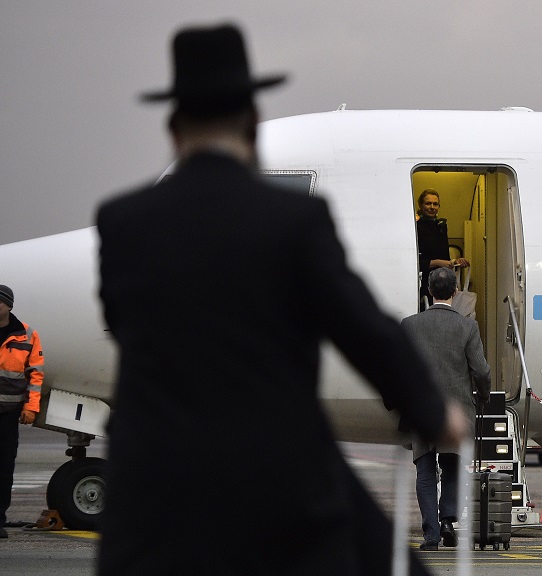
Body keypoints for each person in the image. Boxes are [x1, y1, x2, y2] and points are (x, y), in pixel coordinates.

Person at [94, 23, 467, 575]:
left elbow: (122, 321)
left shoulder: (121, 223)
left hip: (153, 479)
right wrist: (432, 413)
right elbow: (363, 328)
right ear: (252, 122)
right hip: (276, 470)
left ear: (173, 129)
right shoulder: (296, 220)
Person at [400, 267, 491, 550]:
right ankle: (448, 521)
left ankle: (431, 535)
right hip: (457, 410)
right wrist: (484, 396)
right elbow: (481, 371)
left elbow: (399, 367)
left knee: (425, 471)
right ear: (455, 292)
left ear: (429, 291)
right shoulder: (467, 326)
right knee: (452, 467)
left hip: (421, 408)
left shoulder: (410, 324)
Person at [0, 285, 43, 540]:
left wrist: (31, 407)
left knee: (4, 468)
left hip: (8, 413)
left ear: (9, 305)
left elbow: (35, 375)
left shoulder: (27, 335)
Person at [415, 189, 469, 310]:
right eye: (428, 203)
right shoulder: (416, 227)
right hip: (424, 282)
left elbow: (443, 254)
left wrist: (454, 262)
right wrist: (438, 263)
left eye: (435, 204)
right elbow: (416, 262)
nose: (432, 207)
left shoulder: (441, 226)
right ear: (421, 205)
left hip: (441, 282)